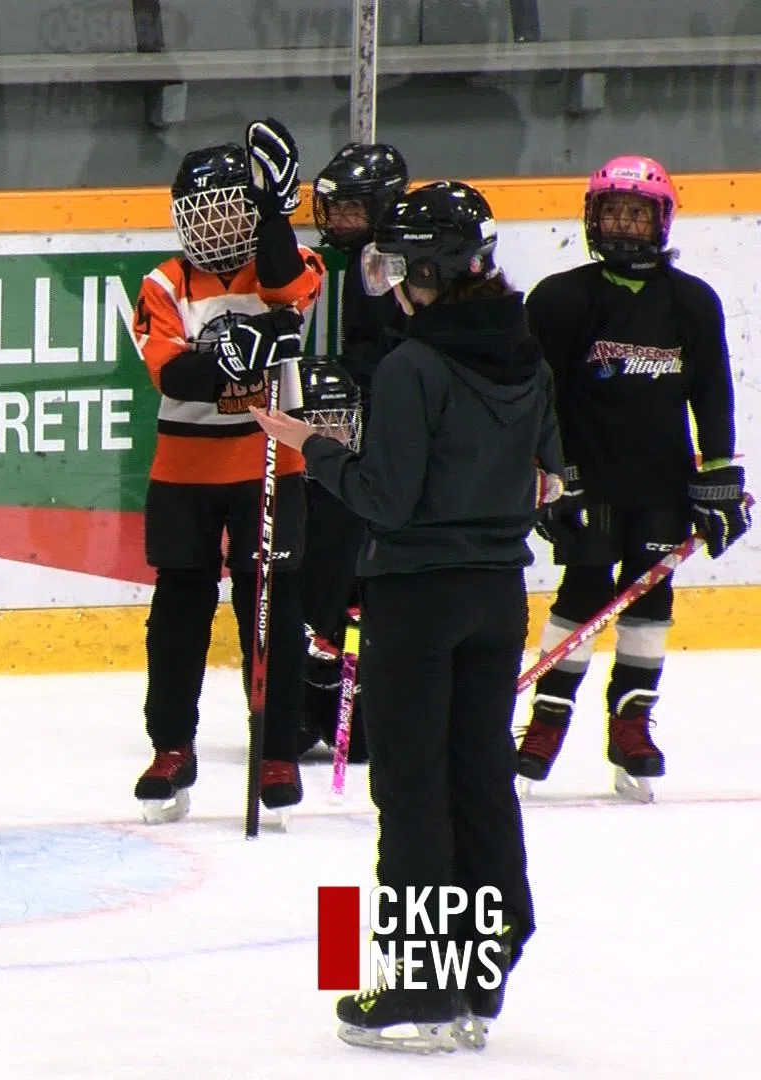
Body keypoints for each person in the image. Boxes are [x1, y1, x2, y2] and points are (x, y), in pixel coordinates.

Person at [251, 180, 553, 1052]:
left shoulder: (415, 366)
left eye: (398, 266)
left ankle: (419, 984)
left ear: (431, 269)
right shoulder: (524, 353)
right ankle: (482, 968)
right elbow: (547, 474)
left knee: (413, 788)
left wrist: (312, 446)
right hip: (497, 596)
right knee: (480, 776)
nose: (389, 283)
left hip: (417, 598)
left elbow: (385, 497)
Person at [515, 154, 748, 801]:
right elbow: (538, 397)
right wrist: (550, 474)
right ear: (592, 219)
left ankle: (631, 723)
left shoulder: (692, 301)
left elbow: (713, 391)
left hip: (662, 483)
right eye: (612, 212)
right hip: (588, 480)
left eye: (637, 214)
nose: (623, 224)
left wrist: (720, 476)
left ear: (661, 221)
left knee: (650, 600)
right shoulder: (560, 298)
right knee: (584, 591)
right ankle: (548, 721)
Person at [127, 118, 325, 824]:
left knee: (272, 610)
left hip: (271, 463)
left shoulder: (292, 262)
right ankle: (171, 747)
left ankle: (277, 751)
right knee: (176, 617)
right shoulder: (163, 283)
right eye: (201, 214)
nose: (214, 228)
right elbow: (172, 374)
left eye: (232, 211)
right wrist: (234, 357)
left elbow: (285, 287)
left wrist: (276, 212)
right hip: (183, 472)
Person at [298, 142, 411, 761]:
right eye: (334, 207)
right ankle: (311, 680)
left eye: (353, 208)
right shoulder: (354, 260)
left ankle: (363, 688)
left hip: (388, 447)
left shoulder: (398, 264)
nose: (339, 219)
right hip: (346, 441)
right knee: (326, 557)